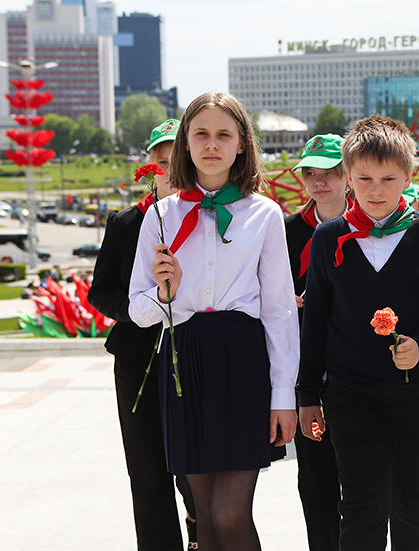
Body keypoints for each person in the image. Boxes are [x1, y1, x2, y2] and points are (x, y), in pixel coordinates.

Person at [128, 93, 299, 551]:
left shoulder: (263, 213)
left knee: (230, 512)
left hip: (242, 361)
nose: (211, 144)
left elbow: (280, 310)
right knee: (203, 515)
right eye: (200, 133)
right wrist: (166, 293)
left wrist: (284, 396)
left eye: (224, 134)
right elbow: (138, 312)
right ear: (184, 141)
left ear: (242, 144)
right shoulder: (160, 217)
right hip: (184, 363)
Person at [297, 115, 419, 551]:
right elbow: (315, 318)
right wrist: (306, 396)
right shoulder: (328, 237)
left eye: (388, 179)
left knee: (412, 499)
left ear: (408, 178)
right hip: (350, 393)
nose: (376, 190)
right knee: (360, 503)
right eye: (364, 178)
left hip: (418, 395)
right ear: (348, 177)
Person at [89, 118, 199, 551]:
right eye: (161, 160)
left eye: (178, 160)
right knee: (148, 469)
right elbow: (100, 291)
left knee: (196, 465)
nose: (169, 169)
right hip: (138, 359)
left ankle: (202, 535)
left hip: (193, 354)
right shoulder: (125, 223)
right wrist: (139, 312)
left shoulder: (208, 217)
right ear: (148, 165)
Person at [284, 134, 346, 551]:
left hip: (359, 371)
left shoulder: (374, 226)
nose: (319, 182)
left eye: (330, 173)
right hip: (307, 373)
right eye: (311, 174)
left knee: (366, 478)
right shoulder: (285, 230)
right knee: (317, 475)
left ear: (349, 176)